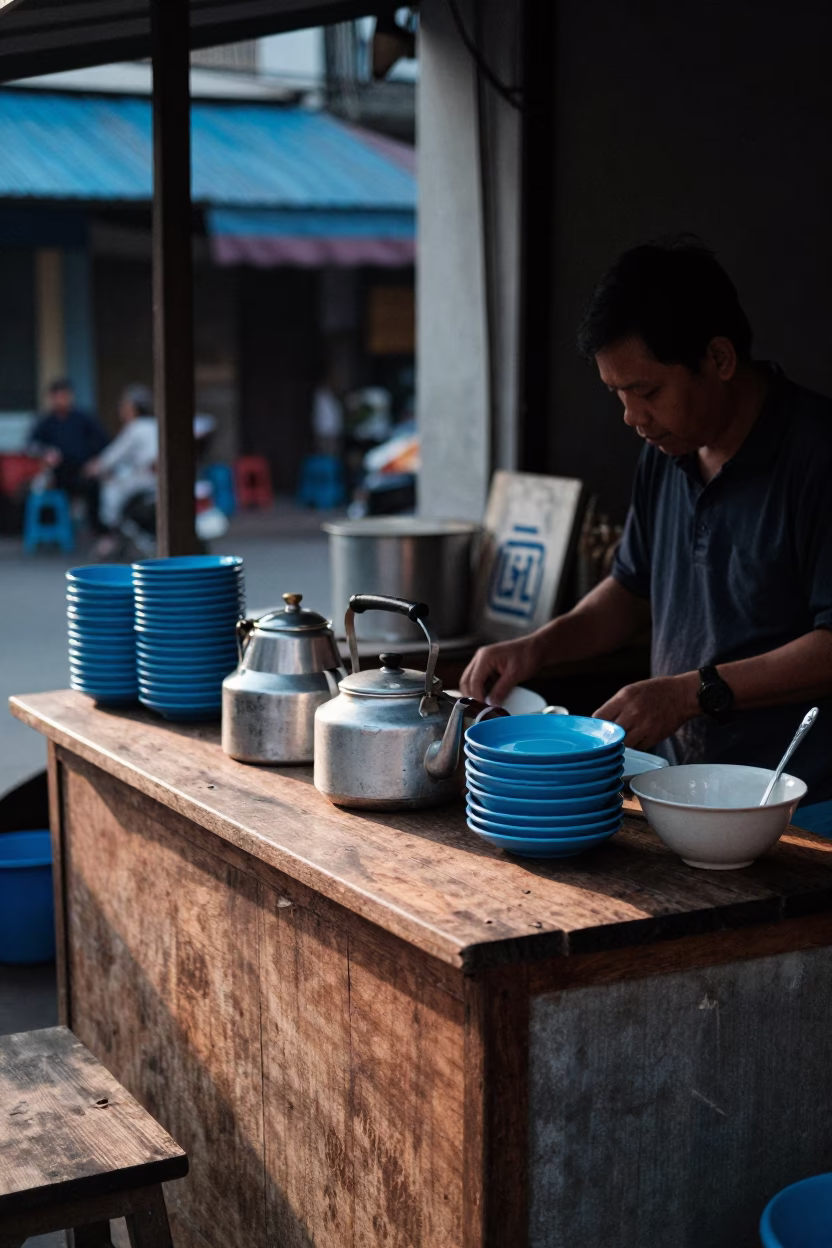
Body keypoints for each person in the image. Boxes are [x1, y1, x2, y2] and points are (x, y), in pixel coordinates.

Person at [460, 238, 832, 831]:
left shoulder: (816, 455)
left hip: (801, 802)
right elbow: (629, 591)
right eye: (618, 395)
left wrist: (689, 693)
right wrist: (536, 648)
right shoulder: (667, 450)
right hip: (679, 790)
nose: (633, 418)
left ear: (719, 358)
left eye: (648, 391)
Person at [82, 384, 158, 554]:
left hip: (145, 480)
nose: (122, 411)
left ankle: (111, 534)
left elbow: (113, 456)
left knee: (110, 489)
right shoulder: (154, 424)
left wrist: (95, 467)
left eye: (125, 407)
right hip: (154, 479)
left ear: (133, 408)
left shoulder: (135, 428)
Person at [27, 378, 110, 528]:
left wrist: (95, 462)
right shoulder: (46, 422)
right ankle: (52, 531)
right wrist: (45, 453)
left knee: (94, 487)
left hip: (81, 472)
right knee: (38, 490)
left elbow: (103, 441)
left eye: (64, 396)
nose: (61, 400)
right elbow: (31, 445)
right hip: (57, 475)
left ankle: (98, 529)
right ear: (51, 398)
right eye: (57, 397)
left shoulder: (83, 418)